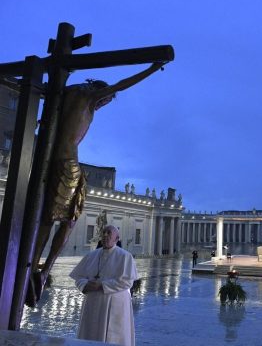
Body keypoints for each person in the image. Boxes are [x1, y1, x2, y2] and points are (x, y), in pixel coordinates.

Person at [26, 62, 165, 307]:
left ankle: (34, 265)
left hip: (50, 159)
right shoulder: (88, 96)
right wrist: (153, 68)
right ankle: (43, 269)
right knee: (67, 221)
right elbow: (124, 84)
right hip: (67, 163)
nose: (104, 104)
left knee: (48, 218)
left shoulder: (65, 93)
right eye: (107, 100)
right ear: (101, 92)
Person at [70, 225, 138, 346]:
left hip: (114, 304)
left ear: (117, 239)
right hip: (92, 303)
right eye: (104, 232)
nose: (106, 235)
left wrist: (102, 285)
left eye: (109, 233)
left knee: (112, 337)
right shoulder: (91, 255)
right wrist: (84, 285)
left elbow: (127, 281)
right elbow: (79, 277)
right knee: (90, 333)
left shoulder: (125, 256)